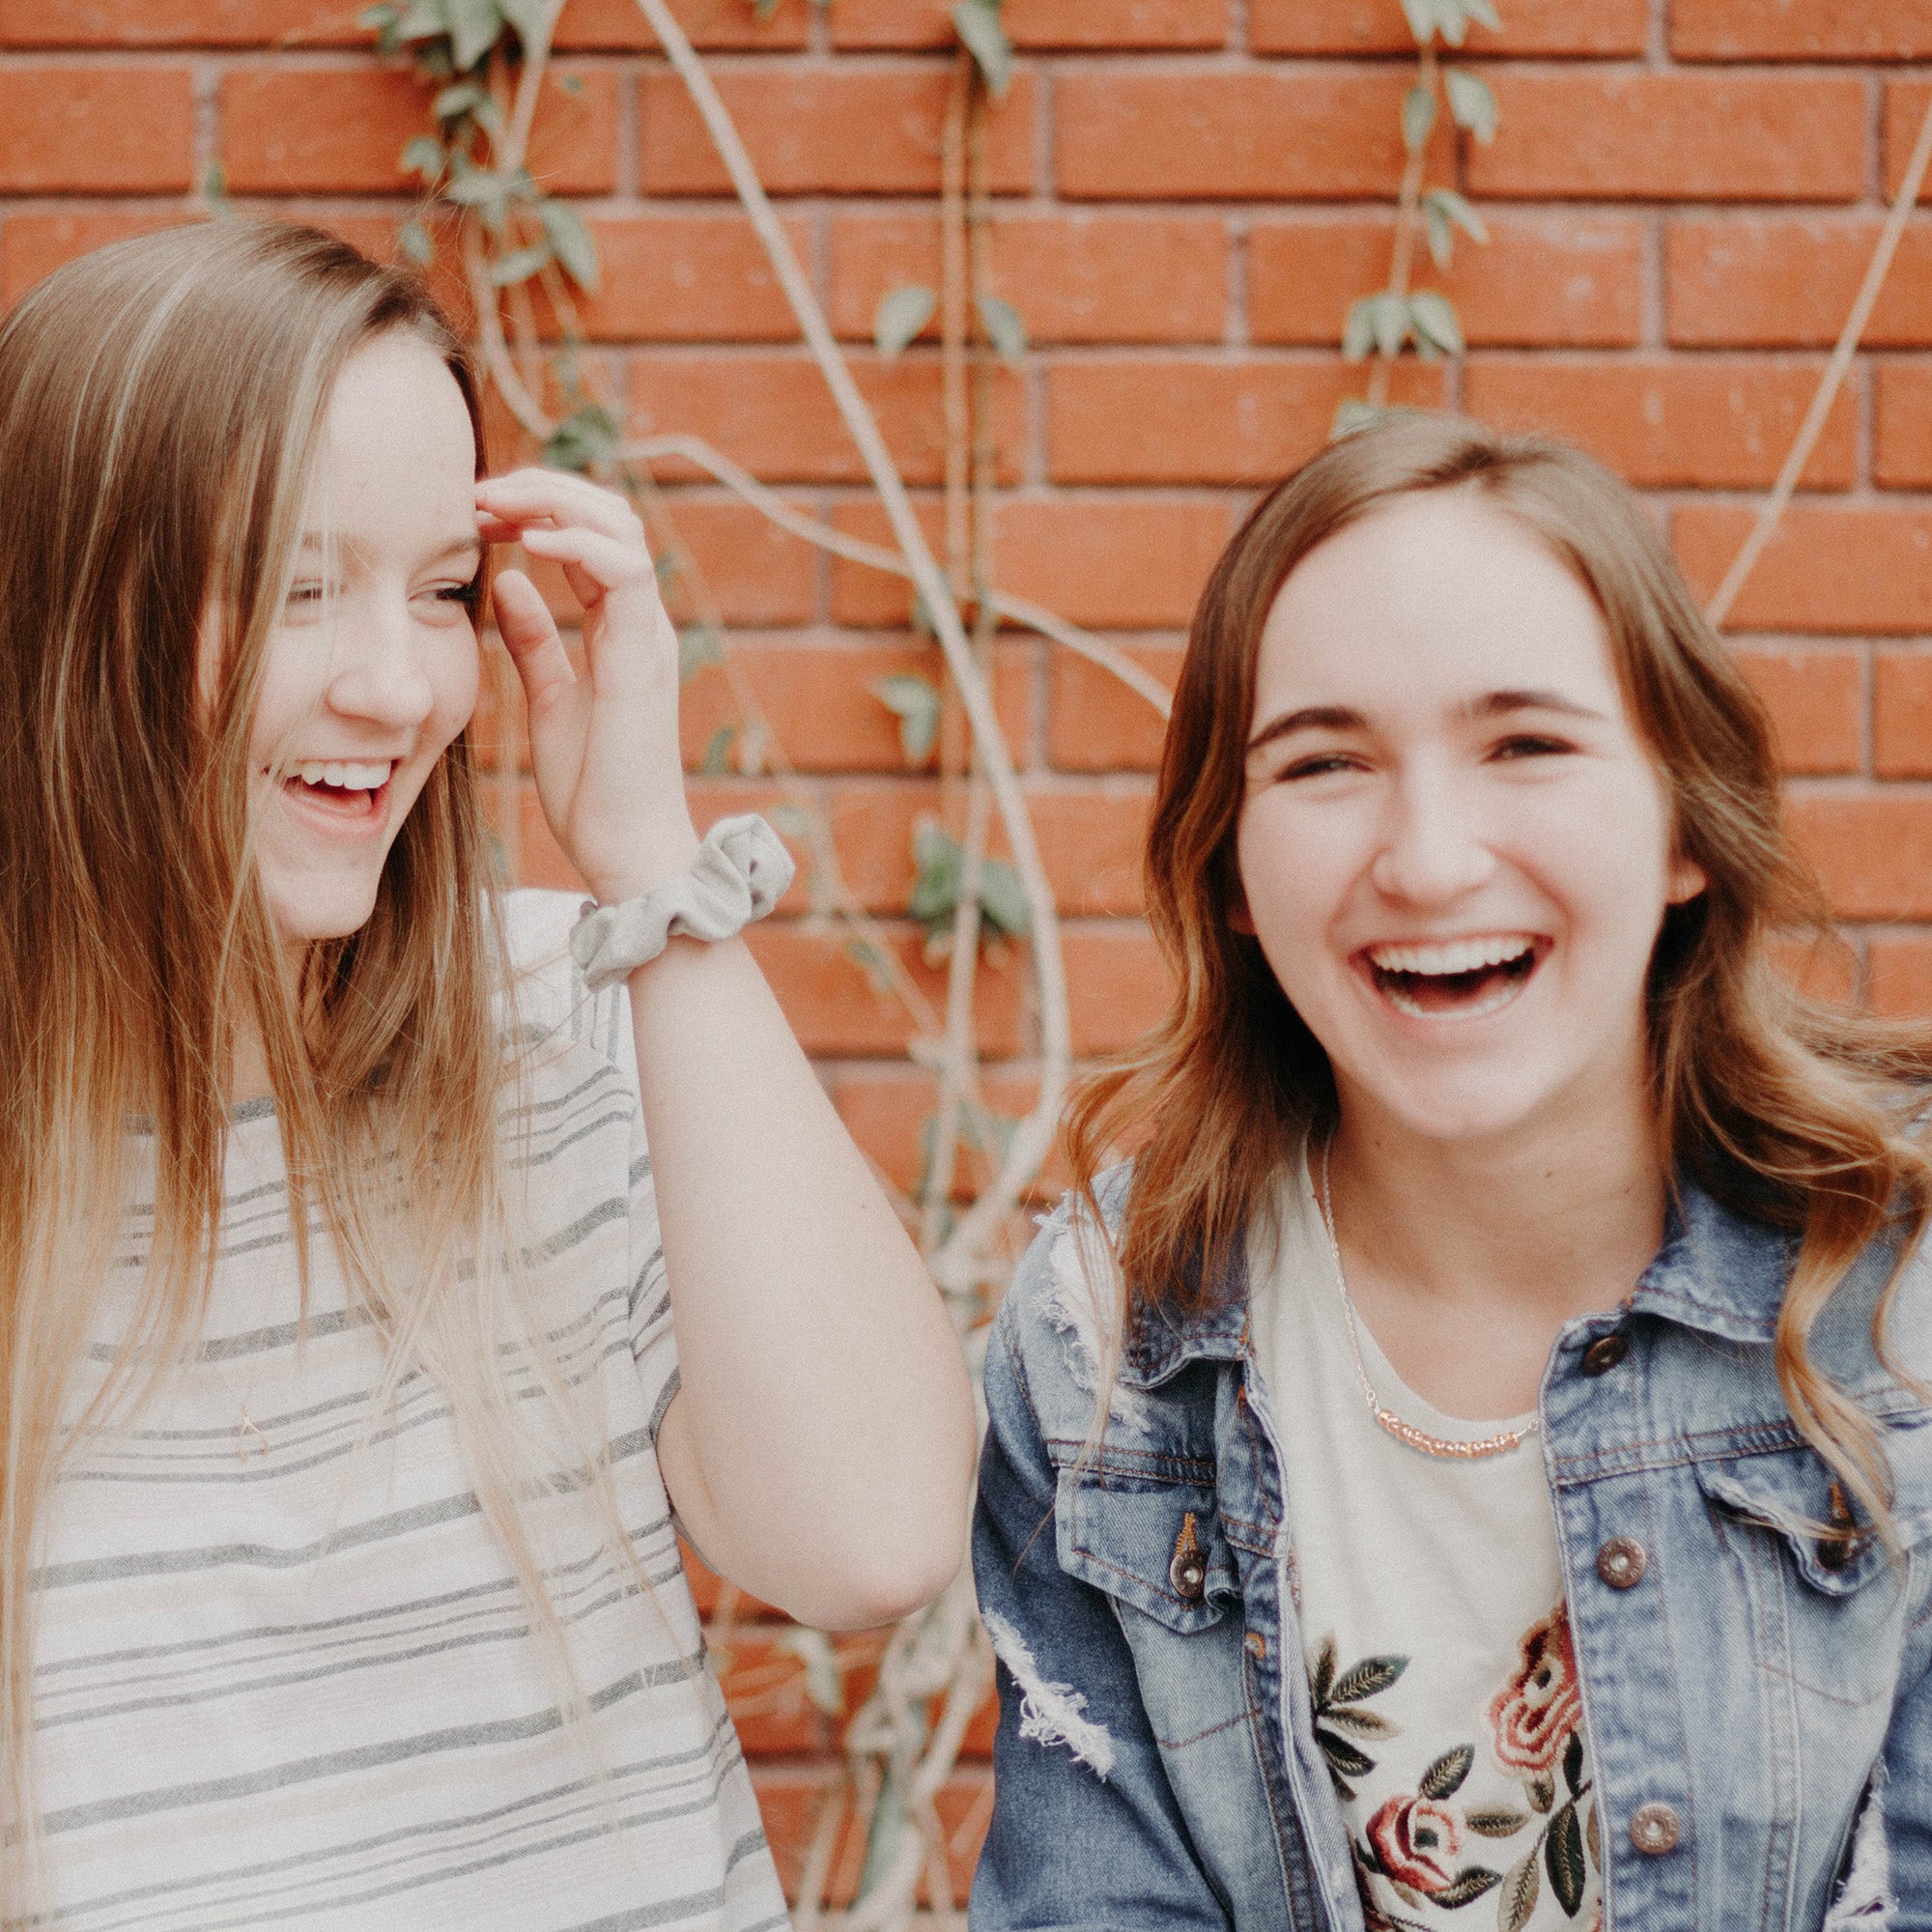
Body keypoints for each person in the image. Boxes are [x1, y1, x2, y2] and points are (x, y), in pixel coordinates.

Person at [0, 219, 977, 1928]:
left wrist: (651, 872)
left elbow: (873, 1534)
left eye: (445, 590)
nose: (399, 688)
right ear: (71, 615)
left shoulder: (561, 1020)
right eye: (297, 586)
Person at [971, 413, 1931, 1932]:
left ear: (1686, 823)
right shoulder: (1105, 1345)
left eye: (1526, 745)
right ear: (1230, 866)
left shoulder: (1900, 1292)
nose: (1426, 861)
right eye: (1324, 762)